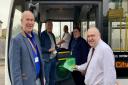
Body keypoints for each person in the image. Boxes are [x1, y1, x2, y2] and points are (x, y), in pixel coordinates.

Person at [9, 11, 44, 85]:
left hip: (39, 80)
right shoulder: (16, 40)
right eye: (27, 19)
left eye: (32, 20)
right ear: (22, 22)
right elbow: (15, 71)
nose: (30, 22)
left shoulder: (36, 37)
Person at [40, 19, 57, 85]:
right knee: (47, 79)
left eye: (51, 25)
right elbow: (40, 47)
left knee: (53, 78)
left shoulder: (52, 34)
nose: (50, 26)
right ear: (45, 25)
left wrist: (57, 49)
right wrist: (48, 50)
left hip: (53, 59)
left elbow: (54, 45)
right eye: (49, 24)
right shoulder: (42, 35)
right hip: (47, 60)